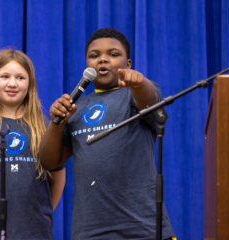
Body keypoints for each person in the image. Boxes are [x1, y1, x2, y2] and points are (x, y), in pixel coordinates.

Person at [39, 28, 176, 239]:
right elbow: (49, 161)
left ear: (128, 64)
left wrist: (139, 83)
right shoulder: (76, 107)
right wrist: (57, 123)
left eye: (113, 54)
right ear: (87, 66)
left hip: (143, 228)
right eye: (94, 56)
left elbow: (150, 100)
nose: (103, 60)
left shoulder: (134, 95)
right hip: (91, 230)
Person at [0, 49, 66, 240]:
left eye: (20, 77)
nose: (12, 83)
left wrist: (41, 213)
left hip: (36, 232)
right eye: (5, 76)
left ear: (30, 84)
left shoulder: (46, 128)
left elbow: (58, 180)